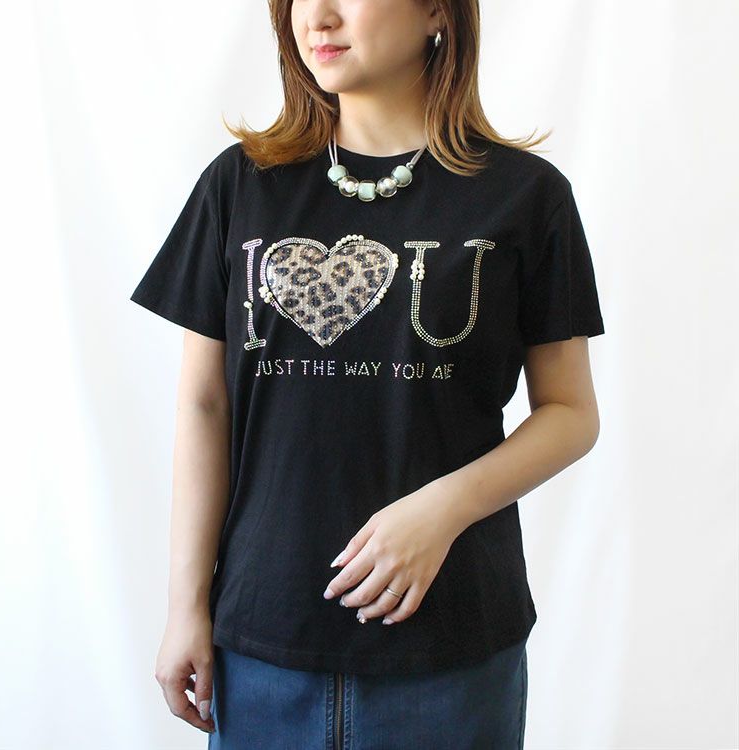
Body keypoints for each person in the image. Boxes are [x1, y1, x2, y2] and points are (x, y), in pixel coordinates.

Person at [131, 0, 606, 747]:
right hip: (261, 646)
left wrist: (441, 510)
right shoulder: (240, 185)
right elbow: (203, 406)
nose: (317, 17)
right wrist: (185, 606)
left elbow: (571, 413)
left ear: (436, 12)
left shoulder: (526, 196)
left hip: (449, 653)